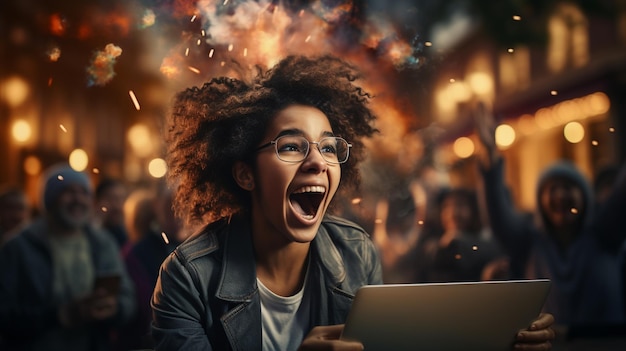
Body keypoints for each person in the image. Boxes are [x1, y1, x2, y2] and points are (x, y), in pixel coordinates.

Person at [151, 55, 555, 350]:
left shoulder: (357, 252)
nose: (317, 161)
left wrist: (506, 340)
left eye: (329, 148)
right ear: (245, 174)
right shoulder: (187, 278)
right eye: (291, 146)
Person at [474, 104, 626, 330]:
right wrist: (491, 155)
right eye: (552, 189)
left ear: (584, 197)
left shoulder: (605, 234)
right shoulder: (530, 242)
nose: (560, 196)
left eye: (568, 187)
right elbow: (499, 216)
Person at [0, 164, 136, 351]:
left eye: (84, 193)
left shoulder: (103, 243)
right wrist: (59, 316)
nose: (78, 199)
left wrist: (114, 309)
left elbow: (127, 295)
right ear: (50, 199)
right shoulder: (18, 247)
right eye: (68, 192)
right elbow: (4, 313)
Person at [115, 182, 188, 350]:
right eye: (171, 204)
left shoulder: (195, 248)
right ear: (157, 205)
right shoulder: (135, 253)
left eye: (184, 202)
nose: (178, 210)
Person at [416, 187, 505, 283]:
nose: (453, 213)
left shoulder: (485, 244)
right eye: (447, 207)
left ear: (473, 210)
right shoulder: (431, 245)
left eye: (460, 205)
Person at [95, 178, 129, 249]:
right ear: (97, 202)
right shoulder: (89, 238)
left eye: (121, 199)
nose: (117, 206)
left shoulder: (131, 238)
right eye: (111, 199)